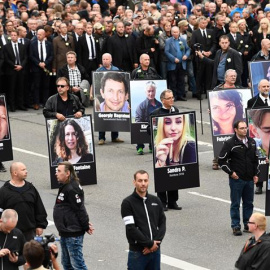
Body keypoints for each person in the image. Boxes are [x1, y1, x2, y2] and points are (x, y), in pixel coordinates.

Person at [218, 121, 259, 236]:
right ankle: (235, 226)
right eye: (241, 128)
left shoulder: (251, 142)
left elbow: (255, 160)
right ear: (235, 129)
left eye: (246, 128)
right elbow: (221, 160)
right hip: (237, 179)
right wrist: (231, 173)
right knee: (235, 203)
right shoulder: (230, 143)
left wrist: (256, 174)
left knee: (249, 203)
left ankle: (247, 224)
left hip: (249, 179)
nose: (244, 130)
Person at [121, 170, 166, 270]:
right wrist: (149, 244)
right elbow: (131, 228)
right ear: (134, 182)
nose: (143, 184)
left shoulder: (156, 201)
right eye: (140, 181)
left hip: (155, 251)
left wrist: (156, 243)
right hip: (138, 253)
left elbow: (162, 223)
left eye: (145, 180)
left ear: (148, 181)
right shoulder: (127, 203)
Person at [53, 161, 94, 270]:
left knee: (77, 265)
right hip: (66, 232)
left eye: (59, 171)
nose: (56, 173)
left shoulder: (72, 188)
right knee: (67, 264)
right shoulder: (65, 185)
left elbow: (80, 209)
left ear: (67, 173)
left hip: (73, 233)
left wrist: (86, 225)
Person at [150, 89, 182, 211]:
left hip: (174, 149)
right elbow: (150, 130)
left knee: (174, 174)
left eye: (172, 97)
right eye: (169, 98)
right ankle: (162, 202)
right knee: (162, 174)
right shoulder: (156, 113)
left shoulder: (176, 111)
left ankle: (173, 201)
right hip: (161, 148)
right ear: (162, 100)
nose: (172, 100)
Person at [0, 162, 48, 241]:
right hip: (11, 232)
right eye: (23, 170)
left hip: (30, 232)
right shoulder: (4, 191)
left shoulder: (31, 188)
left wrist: (40, 225)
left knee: (30, 252)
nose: (26, 171)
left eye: (25, 169)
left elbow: (39, 207)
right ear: (15, 173)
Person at [94, 53, 124, 145]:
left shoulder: (116, 70)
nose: (105, 61)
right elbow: (95, 83)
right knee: (102, 117)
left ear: (111, 60)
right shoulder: (99, 71)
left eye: (107, 59)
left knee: (114, 116)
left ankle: (115, 136)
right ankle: (101, 138)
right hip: (103, 95)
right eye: (103, 59)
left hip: (114, 96)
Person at [29, 29, 53, 110]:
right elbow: (31, 55)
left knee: (46, 86)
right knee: (36, 86)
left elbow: (51, 55)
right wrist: (38, 63)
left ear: (44, 35)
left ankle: (45, 103)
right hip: (36, 68)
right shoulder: (32, 44)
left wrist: (45, 63)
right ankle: (36, 102)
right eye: (37, 34)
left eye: (40, 34)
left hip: (46, 67)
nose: (38, 36)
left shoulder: (49, 44)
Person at [165, 26, 190, 101]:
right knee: (173, 80)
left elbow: (188, 49)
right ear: (172, 33)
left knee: (181, 80)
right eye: (174, 32)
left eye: (177, 32)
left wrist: (186, 55)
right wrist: (173, 58)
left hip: (182, 63)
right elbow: (166, 51)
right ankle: (174, 95)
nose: (176, 33)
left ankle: (180, 95)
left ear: (179, 32)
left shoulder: (183, 40)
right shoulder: (168, 41)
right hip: (173, 64)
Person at [248, 108, 270, 195]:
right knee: (259, 162)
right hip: (261, 152)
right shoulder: (255, 144)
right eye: (267, 130)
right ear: (255, 131)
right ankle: (259, 185)